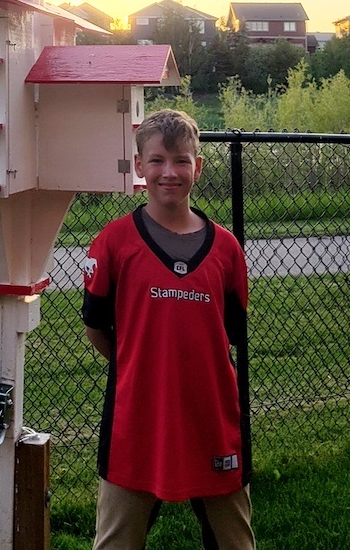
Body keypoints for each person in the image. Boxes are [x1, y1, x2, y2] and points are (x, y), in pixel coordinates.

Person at [82, 109, 255, 549]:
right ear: (139, 165)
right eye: (157, 160)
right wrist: (145, 361)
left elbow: (229, 333)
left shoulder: (227, 249)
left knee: (235, 541)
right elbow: (98, 328)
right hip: (136, 420)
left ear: (197, 166)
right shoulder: (114, 242)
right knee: (117, 540)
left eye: (181, 160)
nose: (169, 172)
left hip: (213, 418)